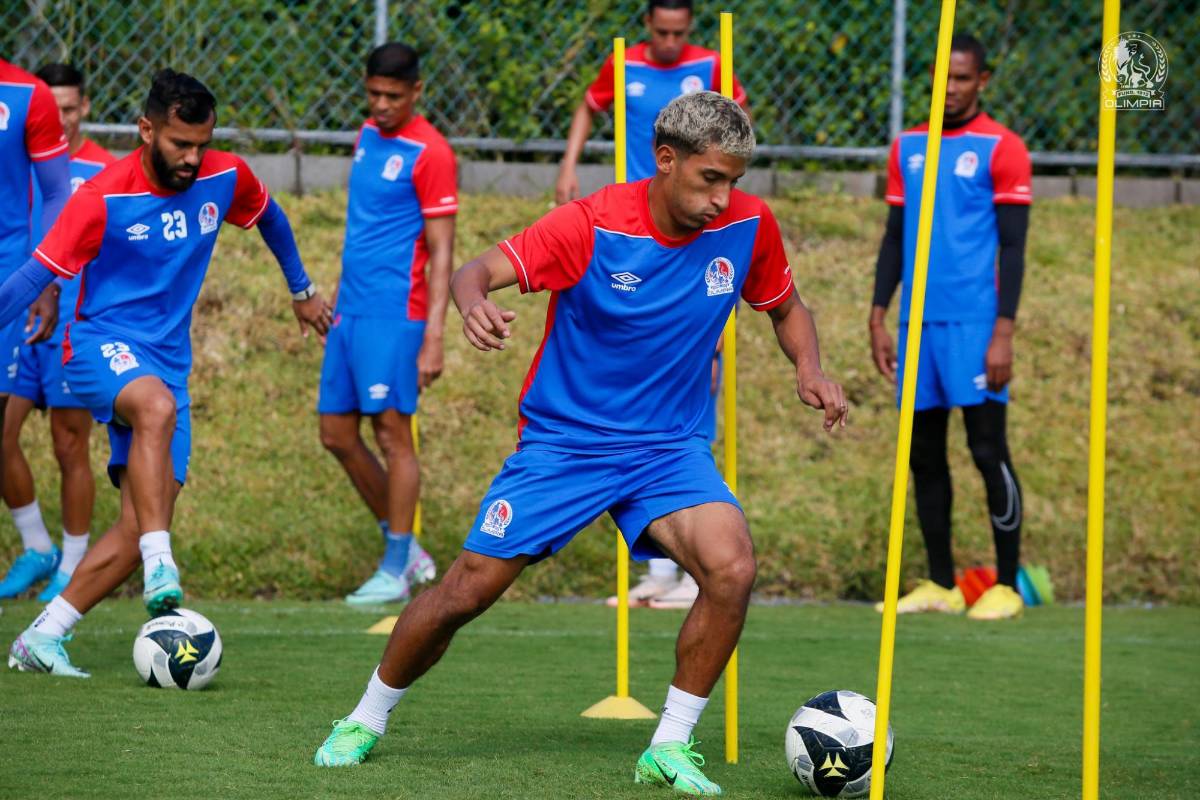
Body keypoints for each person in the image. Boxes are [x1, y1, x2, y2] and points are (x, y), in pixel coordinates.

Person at [313, 92, 848, 797]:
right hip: (567, 443)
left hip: (668, 447)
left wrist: (809, 367)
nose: (724, 197)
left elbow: (785, 305)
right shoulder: (591, 224)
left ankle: (668, 745)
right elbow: (478, 270)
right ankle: (365, 717)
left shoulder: (749, 225)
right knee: (465, 594)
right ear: (666, 160)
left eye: (734, 181)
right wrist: (472, 305)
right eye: (710, 178)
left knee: (732, 566)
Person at [1, 69, 332, 677]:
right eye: (180, 143)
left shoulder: (224, 175)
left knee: (137, 521)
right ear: (146, 129)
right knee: (154, 417)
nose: (192, 157)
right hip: (99, 347)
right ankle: (164, 560)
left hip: (168, 366)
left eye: (201, 143)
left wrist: (302, 289)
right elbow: (32, 278)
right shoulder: (101, 195)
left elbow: (271, 218)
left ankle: (41, 639)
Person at [557, 0, 749, 610]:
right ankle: (662, 570)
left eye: (679, 32)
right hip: (637, 238)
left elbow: (735, 133)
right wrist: (570, 164)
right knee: (629, 379)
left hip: (695, 242)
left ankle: (696, 561)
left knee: (697, 380)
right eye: (660, 31)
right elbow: (588, 108)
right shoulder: (624, 66)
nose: (669, 42)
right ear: (646, 27)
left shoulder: (711, 64)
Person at [869, 34, 1032, 621]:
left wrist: (1004, 332)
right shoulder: (907, 145)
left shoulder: (1002, 148)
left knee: (988, 450)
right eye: (944, 78)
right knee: (924, 456)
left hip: (975, 324)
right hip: (916, 325)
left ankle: (1006, 584)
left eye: (963, 79)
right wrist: (878, 314)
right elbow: (894, 236)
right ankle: (941, 581)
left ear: (981, 81)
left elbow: (1013, 249)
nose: (952, 89)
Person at [318, 43, 456, 606]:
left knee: (392, 435)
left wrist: (435, 336)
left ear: (417, 93)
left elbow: (444, 251)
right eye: (373, 93)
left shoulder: (432, 152)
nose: (380, 105)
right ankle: (408, 548)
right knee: (336, 435)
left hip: (398, 314)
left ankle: (397, 563)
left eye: (393, 97)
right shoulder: (366, 135)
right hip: (351, 311)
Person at [1, 63, 116, 603]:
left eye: (71, 108)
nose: (63, 119)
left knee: (70, 445)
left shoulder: (102, 170)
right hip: (18, 318)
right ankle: (36, 545)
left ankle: (72, 564)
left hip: (68, 322)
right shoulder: (23, 160)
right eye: (57, 109)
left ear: (84, 108)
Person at [0, 57, 71, 601]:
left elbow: (54, 193)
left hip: (8, 284)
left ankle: (45, 548)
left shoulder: (29, 95)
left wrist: (46, 282)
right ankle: (38, 544)